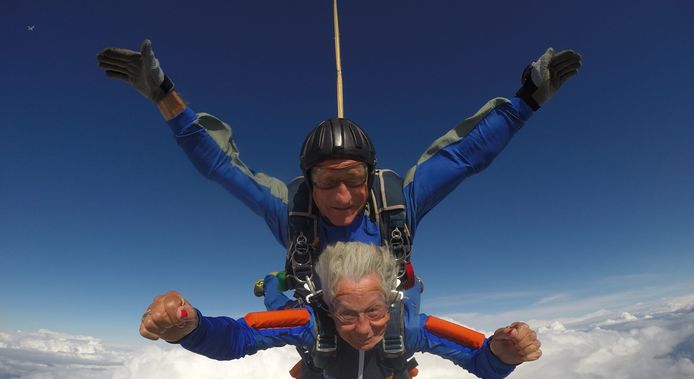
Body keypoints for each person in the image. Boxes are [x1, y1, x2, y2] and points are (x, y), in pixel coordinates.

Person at [97, 41, 582, 306]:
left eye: (353, 177)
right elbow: (223, 167)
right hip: (319, 305)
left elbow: (464, 156)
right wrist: (165, 96)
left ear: (371, 176)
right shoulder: (291, 211)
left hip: (379, 307)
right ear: (308, 182)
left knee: (397, 348)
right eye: (326, 181)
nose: (344, 195)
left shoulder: (396, 203)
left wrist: (528, 101)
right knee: (311, 366)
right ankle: (277, 288)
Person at [140, 242, 542, 379]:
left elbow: (481, 363)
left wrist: (503, 356)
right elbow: (235, 339)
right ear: (328, 307)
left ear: (392, 303)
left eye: (376, 312)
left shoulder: (412, 327)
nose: (364, 329)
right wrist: (193, 329)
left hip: (385, 371)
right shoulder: (309, 322)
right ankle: (272, 282)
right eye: (347, 314)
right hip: (327, 367)